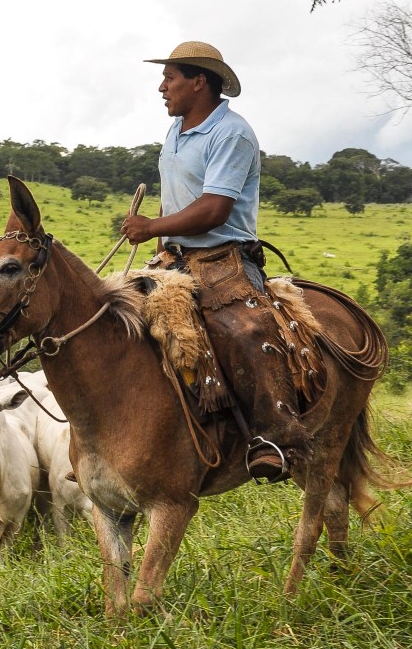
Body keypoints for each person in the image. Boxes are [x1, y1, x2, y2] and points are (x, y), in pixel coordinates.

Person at [120, 41, 305, 481]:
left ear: (198, 81)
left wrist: (151, 227)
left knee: (245, 330)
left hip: (226, 258)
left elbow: (213, 210)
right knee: (112, 318)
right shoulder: (176, 131)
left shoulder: (232, 133)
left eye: (170, 78)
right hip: (176, 256)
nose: (162, 88)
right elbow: (180, 202)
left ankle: (272, 437)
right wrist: (160, 242)